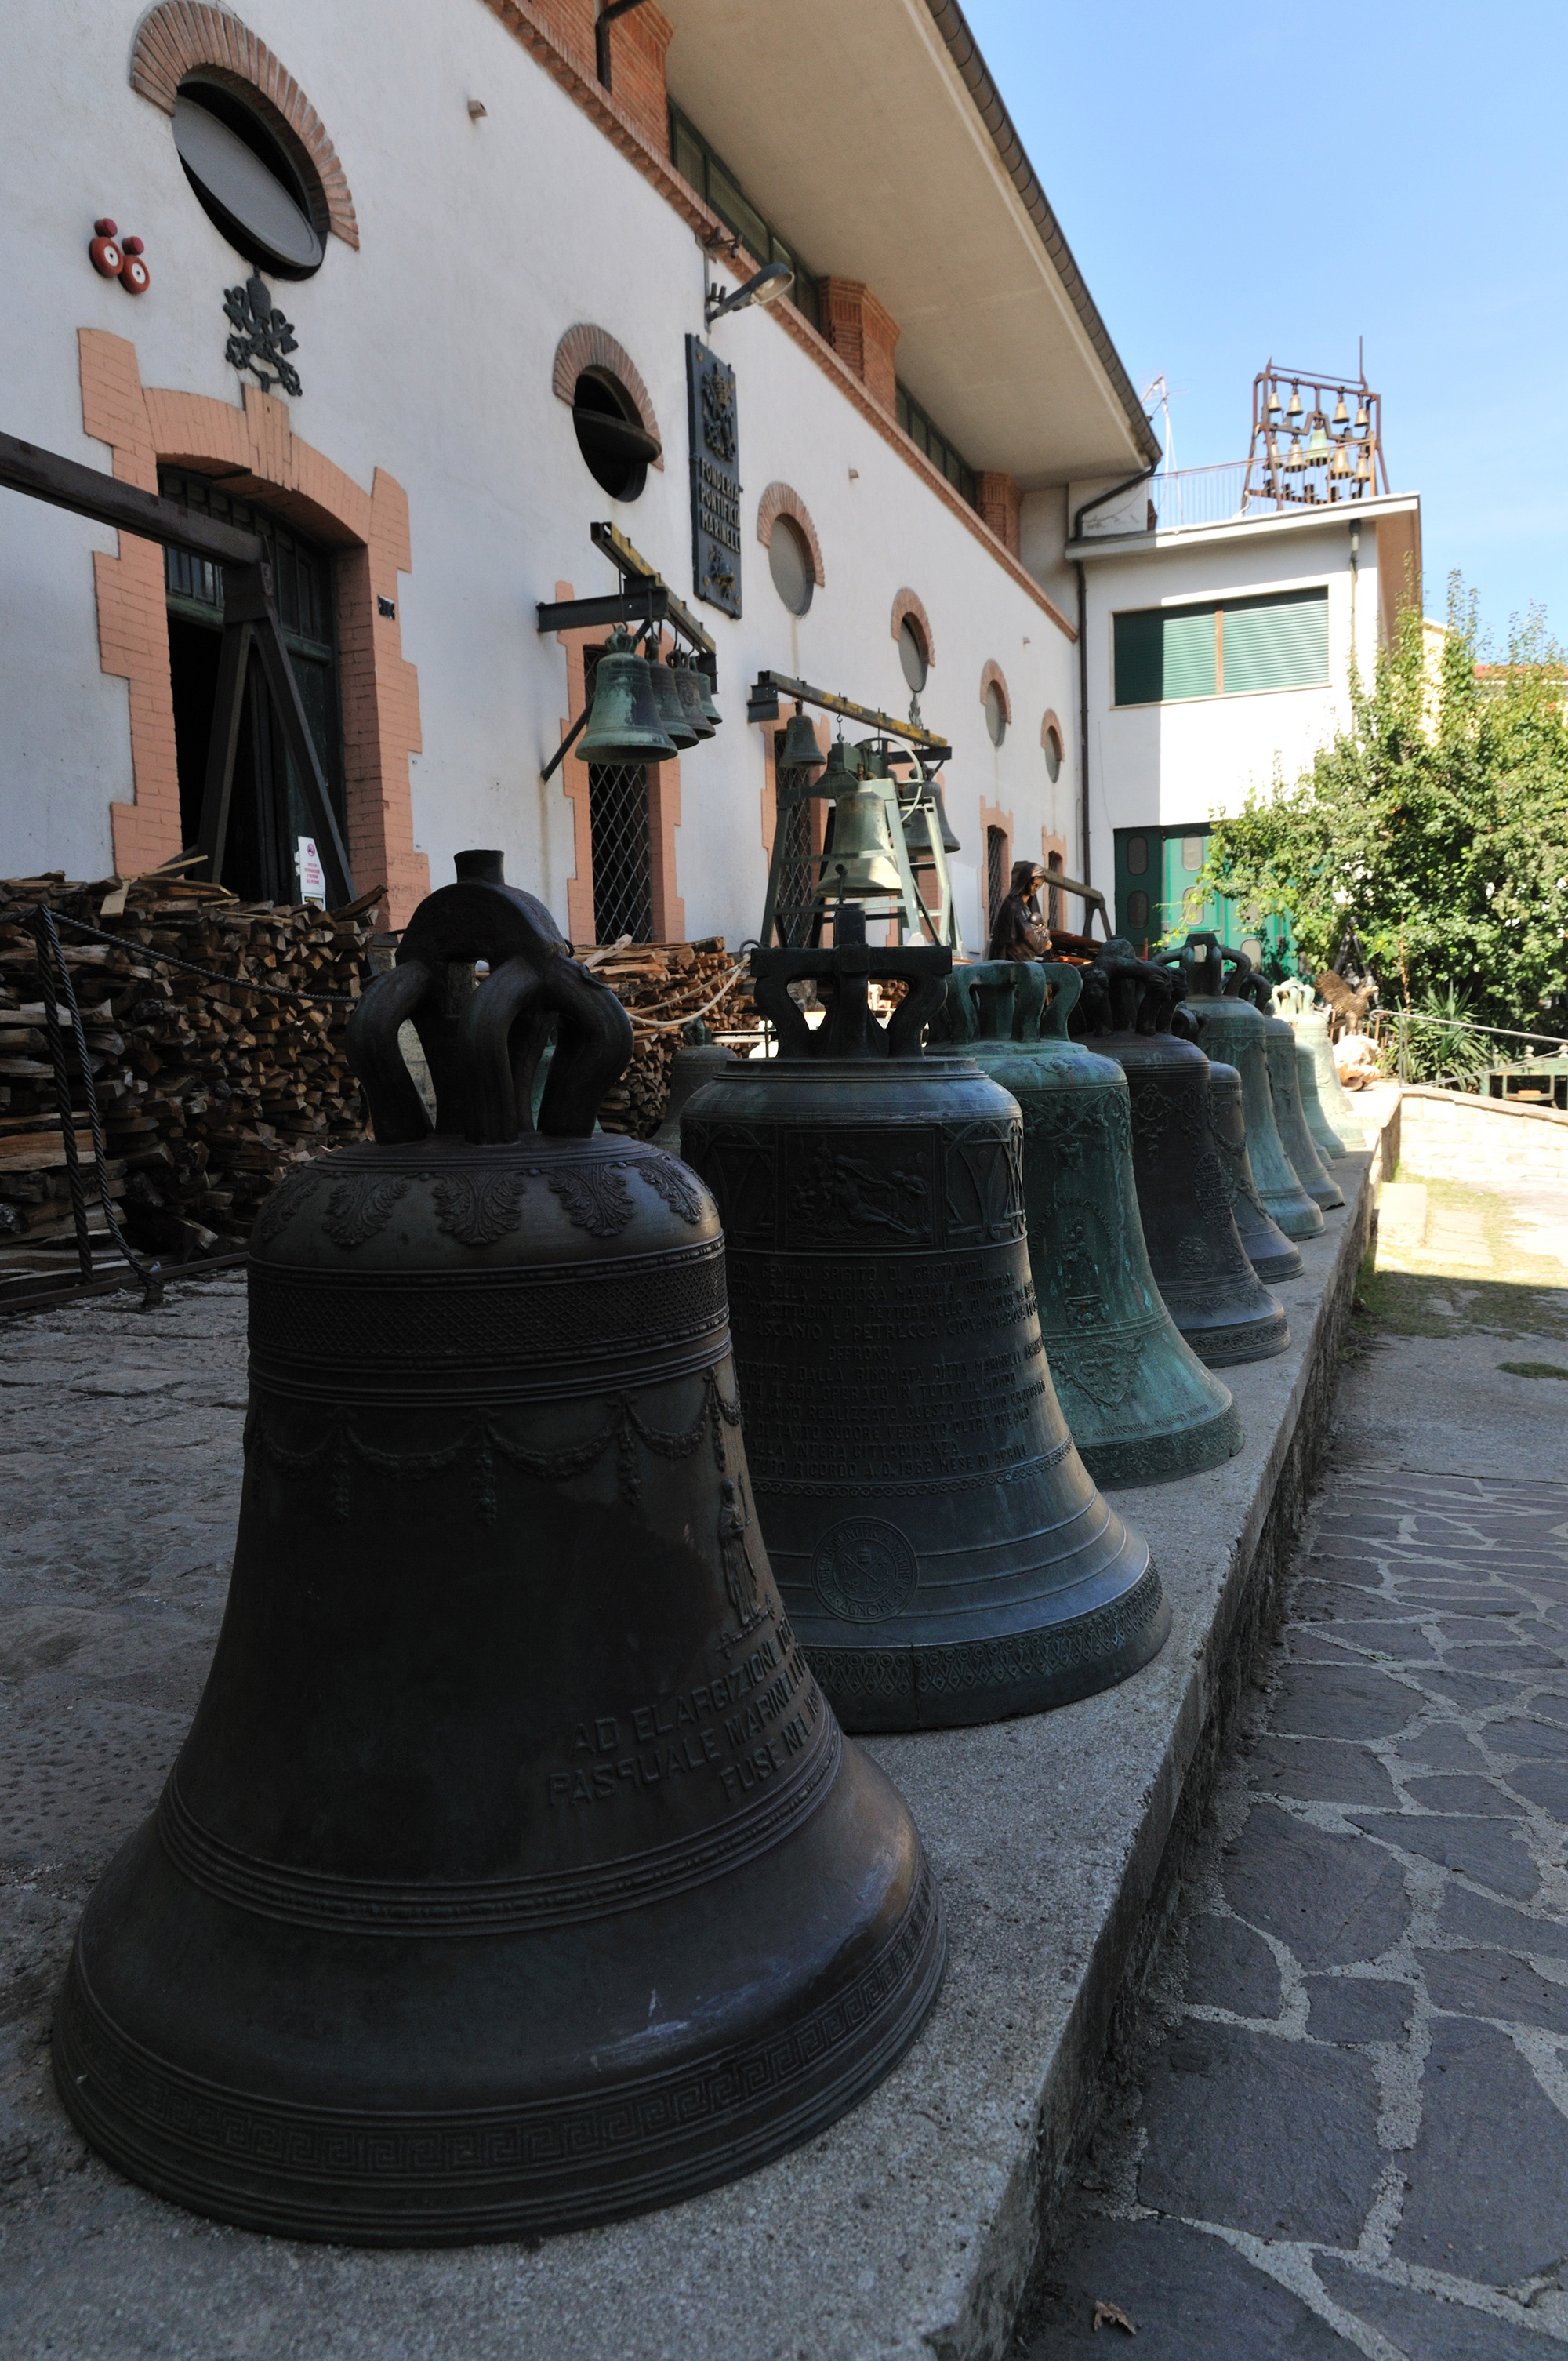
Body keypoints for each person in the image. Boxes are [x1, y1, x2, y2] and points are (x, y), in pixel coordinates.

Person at [988, 860, 1051, 963]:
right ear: (1025, 881)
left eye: (1039, 886)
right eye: (1034, 884)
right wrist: (1045, 944)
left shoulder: (1025, 906)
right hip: (1011, 959)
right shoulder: (1013, 904)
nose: (1036, 889)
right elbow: (1027, 933)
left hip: (1023, 960)